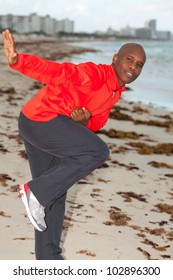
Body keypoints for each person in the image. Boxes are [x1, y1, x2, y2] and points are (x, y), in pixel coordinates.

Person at [2, 29, 146, 260]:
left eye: (139, 64)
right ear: (115, 59)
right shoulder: (93, 74)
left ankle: (49, 262)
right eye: (130, 59)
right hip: (42, 121)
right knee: (97, 151)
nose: (134, 67)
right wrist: (19, 61)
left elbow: (97, 122)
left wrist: (85, 122)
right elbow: (57, 72)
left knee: (55, 193)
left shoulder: (115, 92)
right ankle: (34, 191)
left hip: (40, 125)